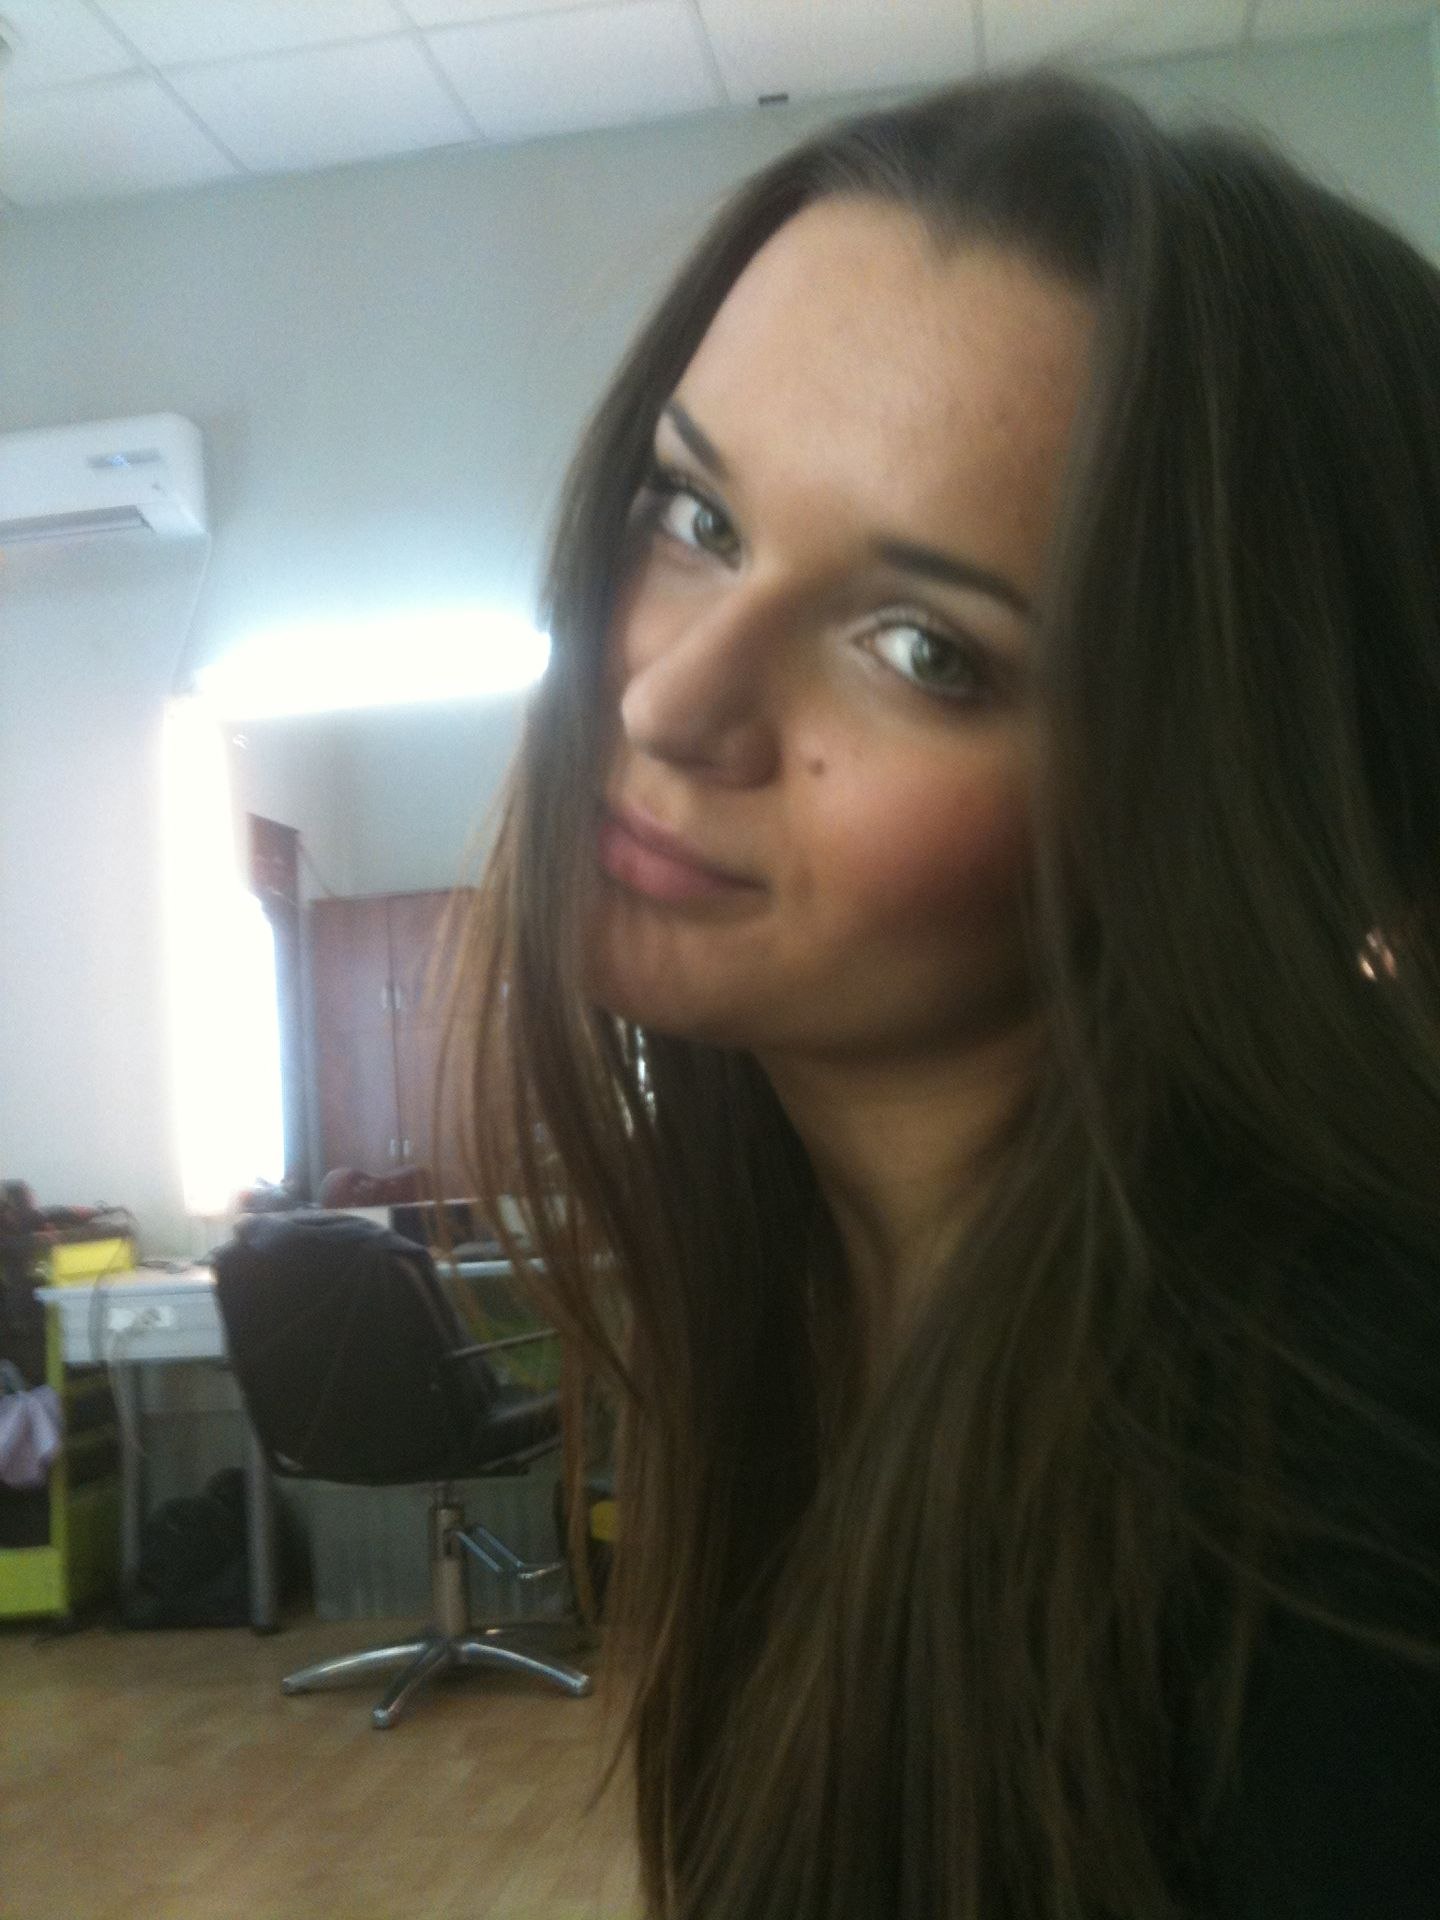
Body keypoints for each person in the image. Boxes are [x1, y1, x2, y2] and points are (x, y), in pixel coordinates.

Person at [450, 65, 1440, 1919]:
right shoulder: (833, 1294)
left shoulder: (1339, 1513)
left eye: (923, 649)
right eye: (694, 516)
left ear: (1214, 803)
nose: (667, 698)